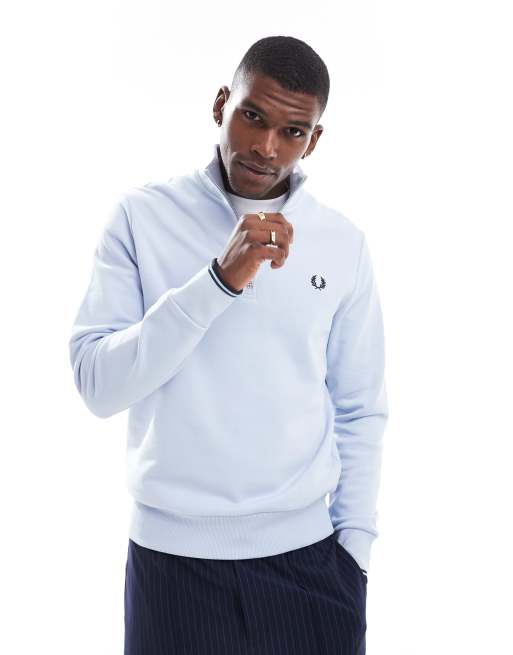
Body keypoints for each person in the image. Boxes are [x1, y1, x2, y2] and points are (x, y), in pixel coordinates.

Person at [69, 35, 388, 655]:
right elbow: (98, 387)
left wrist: (355, 554)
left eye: (293, 132)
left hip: (312, 569)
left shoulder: (341, 243)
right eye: (253, 117)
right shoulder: (141, 218)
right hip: (172, 569)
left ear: (314, 140)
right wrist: (217, 282)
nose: (267, 147)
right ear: (221, 104)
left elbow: (360, 408)